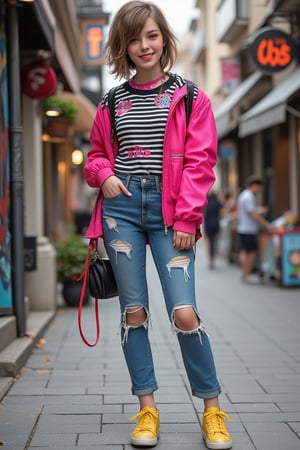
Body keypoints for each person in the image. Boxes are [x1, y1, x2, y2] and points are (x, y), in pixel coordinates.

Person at [83, 2, 232, 449]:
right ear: (123, 46)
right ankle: (147, 409)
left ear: (164, 39)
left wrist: (188, 215)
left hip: (172, 212)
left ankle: (212, 409)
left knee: (184, 314)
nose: (144, 46)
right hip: (121, 209)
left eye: (151, 36)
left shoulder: (190, 96)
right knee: (134, 313)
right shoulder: (110, 102)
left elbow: (201, 162)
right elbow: (94, 157)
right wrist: (104, 175)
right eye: (134, 38)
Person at [237, 175, 273, 284]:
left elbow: (251, 210)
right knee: (251, 252)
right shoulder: (249, 196)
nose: (260, 190)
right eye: (260, 187)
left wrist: (259, 210)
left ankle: (245, 273)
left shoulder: (243, 195)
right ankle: (247, 274)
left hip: (243, 228)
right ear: (255, 185)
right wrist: (266, 224)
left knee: (244, 251)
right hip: (248, 229)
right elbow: (252, 213)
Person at [204, 191, 223, 269]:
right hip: (216, 224)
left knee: (209, 242)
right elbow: (221, 213)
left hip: (208, 224)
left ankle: (210, 259)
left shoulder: (206, 203)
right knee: (214, 242)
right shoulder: (218, 203)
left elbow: (203, 214)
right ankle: (213, 258)